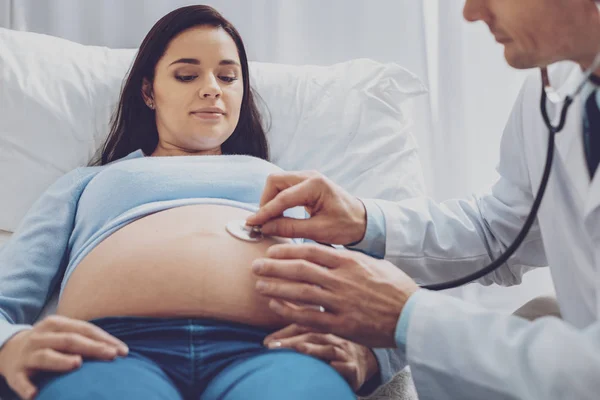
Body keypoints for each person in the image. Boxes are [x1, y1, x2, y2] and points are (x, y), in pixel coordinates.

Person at [0, 5, 391, 400]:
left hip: (275, 351)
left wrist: (368, 355)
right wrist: (9, 346)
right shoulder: (87, 182)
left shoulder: (292, 184)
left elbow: (380, 294)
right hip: (108, 352)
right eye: (187, 75)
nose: (211, 88)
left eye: (227, 76)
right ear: (149, 92)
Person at [246, 0, 600, 399]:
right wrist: (365, 221)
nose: (471, 12)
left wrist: (409, 318)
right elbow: (501, 233)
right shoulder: (555, 84)